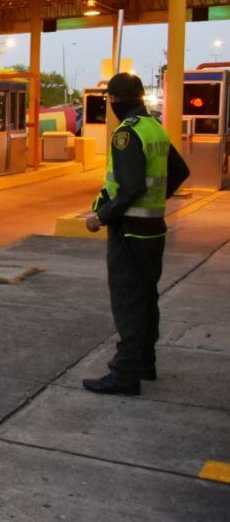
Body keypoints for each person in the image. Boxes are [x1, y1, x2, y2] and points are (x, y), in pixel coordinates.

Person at [83, 73, 189, 396]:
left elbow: (130, 188)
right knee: (146, 297)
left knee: (128, 301)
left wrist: (100, 216)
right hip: (153, 230)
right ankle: (145, 362)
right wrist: (157, 202)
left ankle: (125, 374)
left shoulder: (126, 135)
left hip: (129, 233)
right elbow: (180, 171)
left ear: (114, 102)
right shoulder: (154, 128)